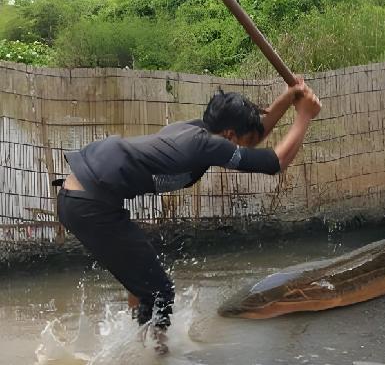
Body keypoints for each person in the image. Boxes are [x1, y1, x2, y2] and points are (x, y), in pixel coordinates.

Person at [54, 77, 321, 354]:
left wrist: (288, 99)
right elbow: (275, 162)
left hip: (82, 197)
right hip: (91, 204)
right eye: (243, 143)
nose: (245, 149)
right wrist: (304, 116)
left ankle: (141, 347)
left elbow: (253, 137)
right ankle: (156, 356)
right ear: (229, 135)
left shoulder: (196, 132)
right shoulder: (208, 145)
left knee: (144, 284)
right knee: (159, 294)